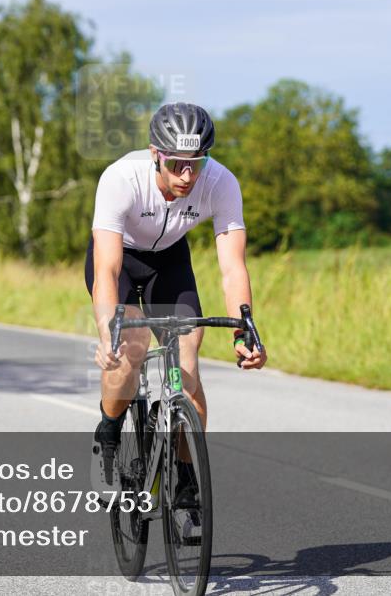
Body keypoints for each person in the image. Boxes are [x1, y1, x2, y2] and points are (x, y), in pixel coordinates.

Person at [86, 102, 268, 473]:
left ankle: (186, 482)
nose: (187, 175)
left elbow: (233, 267)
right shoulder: (121, 178)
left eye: (196, 163)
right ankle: (108, 431)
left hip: (169, 260)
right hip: (121, 257)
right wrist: (108, 332)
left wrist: (243, 332)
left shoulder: (221, 182)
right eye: (176, 164)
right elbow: (107, 267)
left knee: (188, 360)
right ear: (156, 155)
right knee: (130, 347)